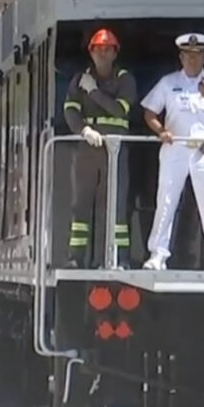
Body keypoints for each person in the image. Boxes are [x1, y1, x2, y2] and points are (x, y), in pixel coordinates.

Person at [141, 33, 204, 271]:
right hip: (175, 146)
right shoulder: (168, 82)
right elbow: (149, 113)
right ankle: (157, 255)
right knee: (166, 201)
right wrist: (161, 131)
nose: (192, 60)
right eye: (188, 55)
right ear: (181, 57)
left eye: (197, 55)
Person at [62, 28, 139, 269]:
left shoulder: (125, 79)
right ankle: (76, 257)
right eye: (98, 49)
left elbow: (119, 110)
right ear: (91, 52)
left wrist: (93, 91)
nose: (102, 53)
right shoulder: (79, 79)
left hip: (115, 149)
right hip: (87, 148)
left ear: (115, 53)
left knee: (116, 205)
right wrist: (83, 130)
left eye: (107, 49)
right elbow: (70, 110)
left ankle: (119, 258)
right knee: (81, 204)